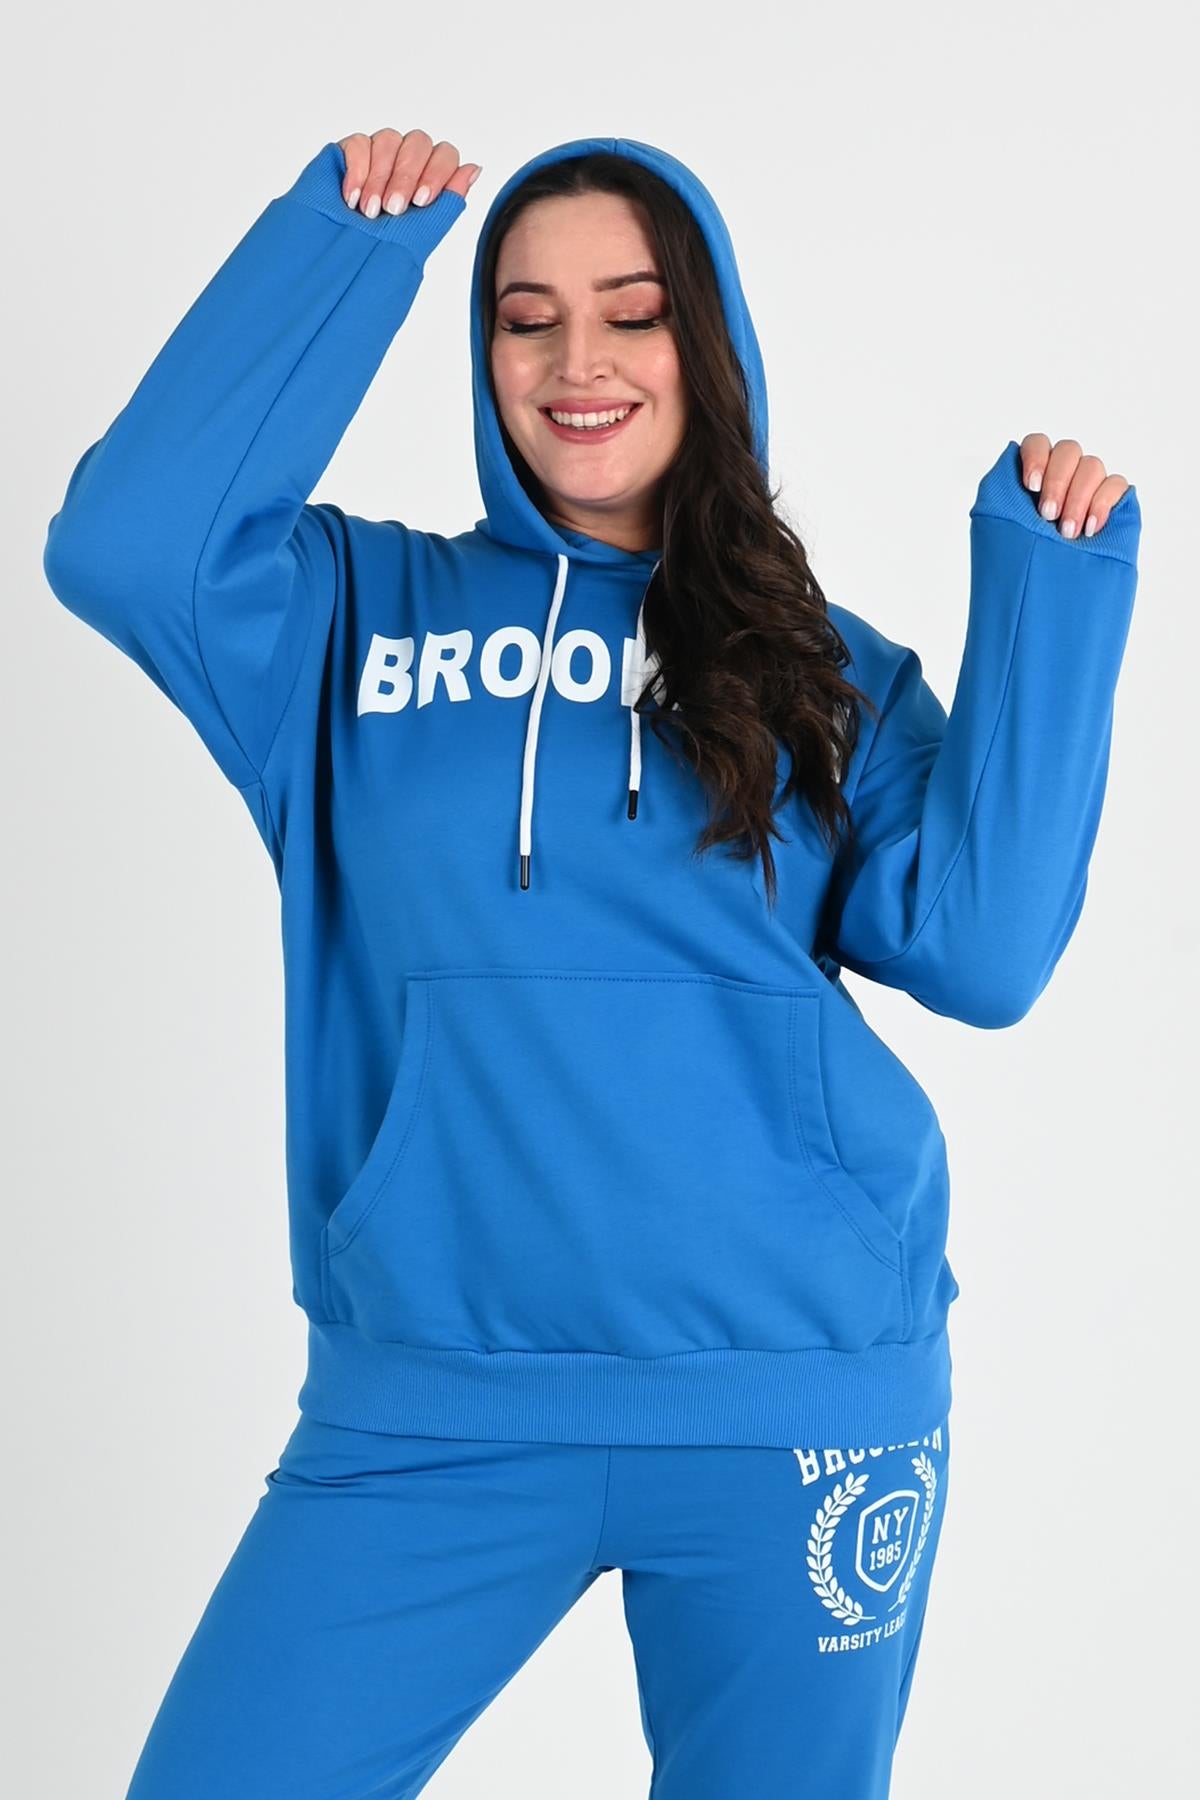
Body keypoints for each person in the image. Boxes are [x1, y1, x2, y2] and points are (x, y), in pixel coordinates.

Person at [42, 126, 1141, 1799]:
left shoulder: (815, 667)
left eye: (632, 314)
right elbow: (125, 548)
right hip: (434, 1406)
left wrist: (1052, 592)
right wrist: (348, 251)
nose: (578, 363)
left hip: (792, 1401)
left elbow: (983, 953)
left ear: (706, 340)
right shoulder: (346, 617)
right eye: (525, 316)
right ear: (479, 352)